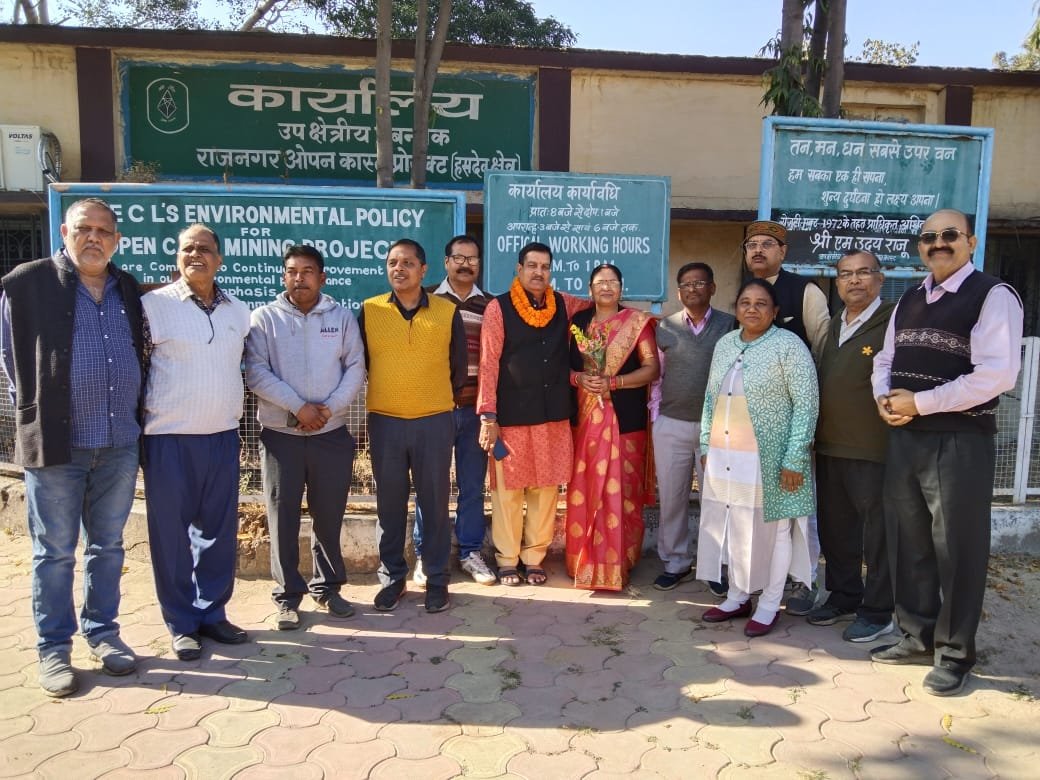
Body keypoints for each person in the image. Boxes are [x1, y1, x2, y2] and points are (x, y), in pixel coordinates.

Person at [871, 209, 1023, 696]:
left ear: (971, 242)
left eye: (950, 235)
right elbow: (886, 359)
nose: (939, 243)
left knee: (957, 548)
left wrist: (921, 403)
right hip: (906, 435)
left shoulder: (992, 296)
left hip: (960, 440)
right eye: (929, 237)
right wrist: (885, 399)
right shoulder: (910, 298)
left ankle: (955, 653)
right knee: (908, 539)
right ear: (920, 247)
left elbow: (997, 375)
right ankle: (916, 636)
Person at [0, 198, 144, 696]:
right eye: (84, 228)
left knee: (108, 546)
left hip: (119, 442)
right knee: (55, 552)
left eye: (104, 231)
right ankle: (54, 649)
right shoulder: (29, 283)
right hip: (57, 446)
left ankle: (103, 634)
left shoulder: (126, 288)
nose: (94, 238)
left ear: (117, 240)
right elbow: (10, 359)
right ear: (65, 232)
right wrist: (34, 412)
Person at [141, 224, 251, 661]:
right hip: (168, 439)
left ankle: (213, 613)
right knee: (171, 536)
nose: (195, 255)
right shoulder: (154, 306)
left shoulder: (238, 311)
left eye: (204, 249)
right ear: (177, 257)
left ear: (219, 259)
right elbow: (137, 369)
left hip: (222, 436)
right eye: (187, 248)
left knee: (218, 533)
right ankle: (182, 622)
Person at [245, 245, 366, 631]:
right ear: (284, 277)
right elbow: (256, 372)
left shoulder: (341, 317)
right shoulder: (264, 319)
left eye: (308, 271)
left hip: (331, 435)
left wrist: (328, 409)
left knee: (328, 515)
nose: (300, 278)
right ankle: (287, 596)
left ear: (322, 278)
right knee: (282, 516)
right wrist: (299, 407)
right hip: (282, 436)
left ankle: (327, 588)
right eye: (292, 271)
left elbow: (356, 367)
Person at [697, 279, 818, 638]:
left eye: (761, 303)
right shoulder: (725, 344)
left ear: (775, 311)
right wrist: (705, 445)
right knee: (733, 523)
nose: (752, 309)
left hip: (771, 459)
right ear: (736, 309)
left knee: (776, 530)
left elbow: (807, 405)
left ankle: (769, 603)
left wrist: (794, 457)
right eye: (745, 302)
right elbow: (710, 399)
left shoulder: (789, 345)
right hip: (726, 455)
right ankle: (737, 596)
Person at [359, 238, 467, 613]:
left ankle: (437, 580)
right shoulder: (370, 310)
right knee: (389, 505)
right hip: (386, 423)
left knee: (434, 504)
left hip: (434, 422)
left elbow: (458, 369)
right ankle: (392, 579)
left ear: (424, 270)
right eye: (392, 262)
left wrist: (431, 399)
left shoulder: (446, 311)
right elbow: (363, 363)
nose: (398, 269)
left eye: (407, 263)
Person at [476, 241, 589, 586]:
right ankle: (507, 560)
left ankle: (534, 558)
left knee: (546, 489)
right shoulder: (498, 308)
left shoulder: (565, 304)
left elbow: (602, 308)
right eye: (532, 266)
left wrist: (642, 321)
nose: (539, 272)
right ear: (519, 269)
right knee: (508, 492)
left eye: (545, 266)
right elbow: (489, 362)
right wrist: (488, 416)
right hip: (510, 416)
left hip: (553, 414)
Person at [808, 250, 896, 643]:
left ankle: (878, 611)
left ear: (880, 279)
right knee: (836, 528)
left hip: (874, 448)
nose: (854, 280)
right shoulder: (833, 324)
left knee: (878, 535)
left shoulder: (892, 320)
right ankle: (844, 595)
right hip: (830, 446)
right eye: (845, 274)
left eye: (863, 272)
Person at [742, 219, 828, 616]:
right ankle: (763, 574)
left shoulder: (805, 291)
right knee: (761, 506)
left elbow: (823, 352)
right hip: (753, 426)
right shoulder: (746, 293)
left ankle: (804, 580)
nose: (758, 250)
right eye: (752, 245)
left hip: (794, 422)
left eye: (767, 244)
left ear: (783, 252)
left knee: (798, 505)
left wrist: (809, 421)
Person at [565, 264, 659, 591]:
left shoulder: (636, 323)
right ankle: (582, 559)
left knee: (624, 493)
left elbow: (651, 369)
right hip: (585, 420)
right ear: (589, 289)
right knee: (586, 486)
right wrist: (580, 379)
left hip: (625, 420)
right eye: (600, 282)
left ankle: (620, 560)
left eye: (612, 282)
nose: (606, 287)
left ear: (621, 288)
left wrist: (614, 383)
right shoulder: (577, 322)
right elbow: (564, 368)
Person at [413, 235, 496, 587]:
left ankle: (470, 552)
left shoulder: (491, 305)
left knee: (473, 486)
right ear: (446, 262)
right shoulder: (426, 299)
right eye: (459, 258)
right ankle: (425, 554)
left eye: (472, 259)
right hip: (435, 409)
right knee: (430, 485)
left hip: (475, 412)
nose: (466, 264)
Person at [649, 262, 734, 593]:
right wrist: (657, 418)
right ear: (678, 291)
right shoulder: (665, 327)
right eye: (686, 284)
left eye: (699, 283)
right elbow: (657, 376)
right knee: (672, 498)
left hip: (718, 428)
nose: (693, 289)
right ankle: (676, 562)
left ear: (712, 288)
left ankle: (716, 567)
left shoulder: (730, 325)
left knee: (716, 499)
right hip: (672, 423)